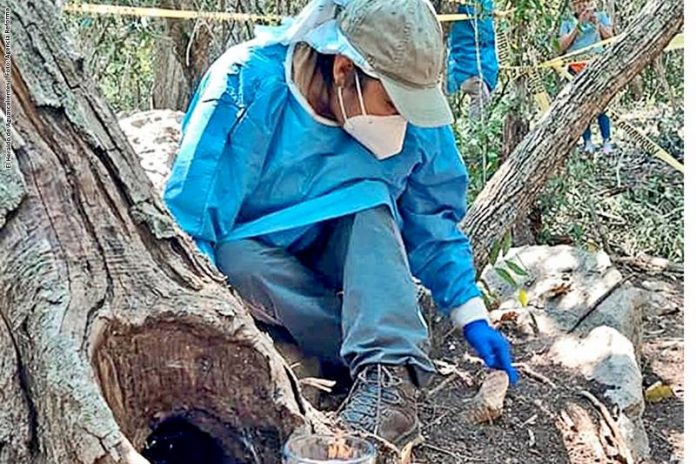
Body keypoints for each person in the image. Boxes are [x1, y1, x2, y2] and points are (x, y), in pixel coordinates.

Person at [164, 0, 518, 451]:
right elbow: (193, 223)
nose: (403, 119)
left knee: (368, 203)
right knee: (233, 257)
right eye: (391, 102)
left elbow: (433, 220)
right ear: (344, 70)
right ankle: (355, 347)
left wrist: (471, 314)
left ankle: (391, 377)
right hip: (266, 279)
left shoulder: (417, 116)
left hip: (358, 266)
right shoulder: (248, 86)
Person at [560, 0, 614, 154]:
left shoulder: (602, 16)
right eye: (577, 3)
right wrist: (578, 26)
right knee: (580, 105)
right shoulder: (567, 21)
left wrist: (598, 24)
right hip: (575, 68)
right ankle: (587, 141)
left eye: (585, 2)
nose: (582, 6)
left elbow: (610, 38)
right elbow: (561, 46)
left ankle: (606, 141)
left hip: (597, 65)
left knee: (602, 105)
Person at [446, 0, 498, 122]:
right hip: (468, 66)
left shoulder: (482, 6)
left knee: (482, 99)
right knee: (481, 100)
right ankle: (474, 134)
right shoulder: (468, 6)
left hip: (474, 66)